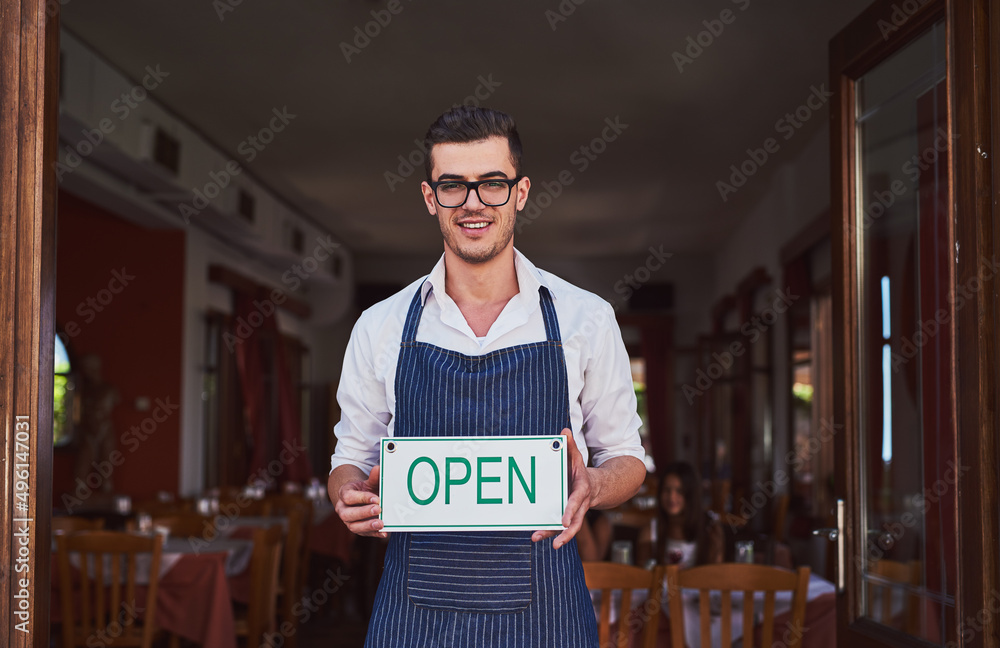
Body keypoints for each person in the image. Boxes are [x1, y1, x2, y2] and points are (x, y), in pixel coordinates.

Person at [327, 105, 647, 647]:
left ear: (520, 192)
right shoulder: (379, 325)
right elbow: (349, 461)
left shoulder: (584, 318)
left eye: (492, 184)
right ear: (431, 198)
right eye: (453, 185)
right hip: (414, 618)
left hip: (546, 616)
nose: (473, 204)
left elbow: (628, 460)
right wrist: (349, 497)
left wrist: (591, 485)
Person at [639, 461, 723, 568]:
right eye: (667, 490)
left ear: (691, 494)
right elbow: (643, 573)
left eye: (679, 491)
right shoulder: (651, 530)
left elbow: (716, 575)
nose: (672, 497)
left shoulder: (711, 528)